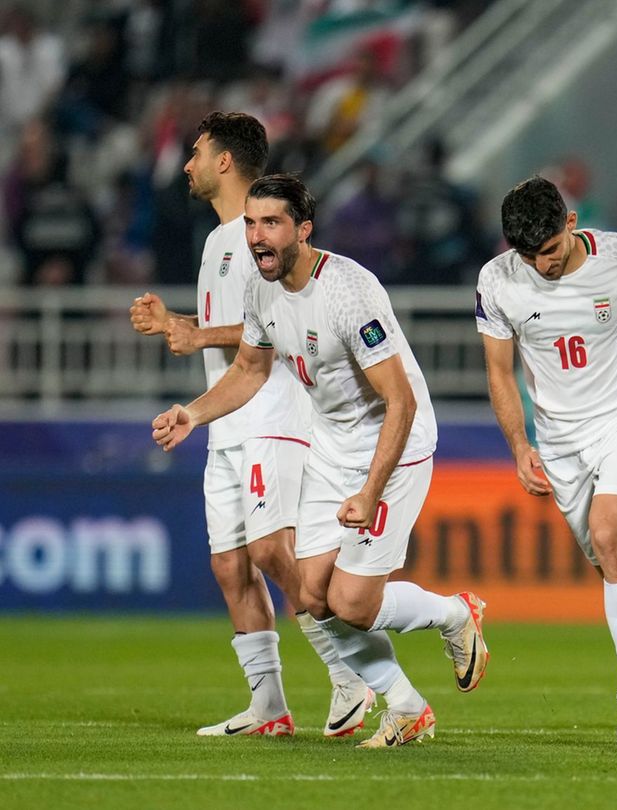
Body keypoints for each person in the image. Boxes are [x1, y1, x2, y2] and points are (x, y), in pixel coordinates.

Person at [151, 173, 487, 749]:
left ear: (303, 230)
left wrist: (371, 491)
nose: (257, 235)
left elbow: (400, 399)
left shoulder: (349, 292)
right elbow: (250, 370)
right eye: (252, 223)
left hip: (395, 445)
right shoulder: (262, 288)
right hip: (333, 445)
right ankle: (406, 707)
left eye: (272, 223)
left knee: (353, 603)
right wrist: (195, 414)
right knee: (311, 594)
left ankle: (455, 614)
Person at [129, 112, 370, 738]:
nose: (187, 164)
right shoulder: (215, 243)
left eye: (196, 152)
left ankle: (352, 675)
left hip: (273, 410)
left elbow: (277, 328)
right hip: (224, 418)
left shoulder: (264, 234)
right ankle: (269, 708)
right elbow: (234, 325)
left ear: (226, 162)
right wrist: (176, 323)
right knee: (231, 566)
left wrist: (197, 333)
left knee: (270, 550)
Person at [476, 176, 617, 747]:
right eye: (529, 255)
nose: (543, 265)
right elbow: (499, 372)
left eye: (551, 250)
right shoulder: (497, 280)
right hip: (558, 441)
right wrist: (519, 445)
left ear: (572, 222)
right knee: (613, 562)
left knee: (610, 534)